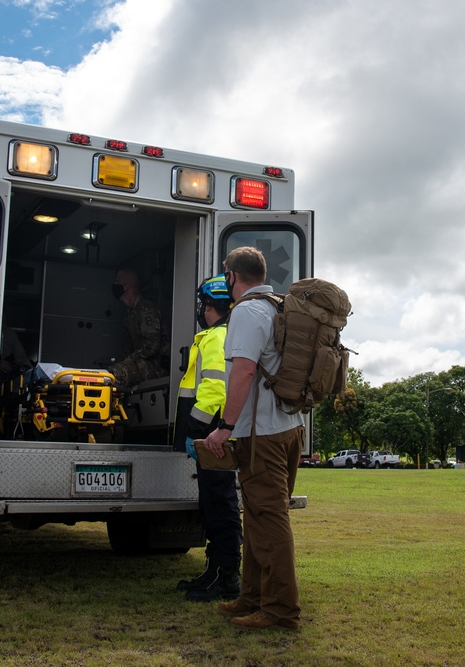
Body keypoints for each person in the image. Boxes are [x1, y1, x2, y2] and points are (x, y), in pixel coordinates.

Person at [202, 246, 304, 631]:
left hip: (261, 434)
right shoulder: (278, 305)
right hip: (288, 429)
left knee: (270, 519)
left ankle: (280, 610)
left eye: (226, 276)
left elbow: (243, 372)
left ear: (232, 276)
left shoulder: (246, 311)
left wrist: (225, 427)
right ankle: (253, 596)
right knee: (258, 519)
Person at [173, 276, 241, 602]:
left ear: (209, 305)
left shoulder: (217, 337)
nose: (201, 309)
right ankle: (214, 572)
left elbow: (215, 388)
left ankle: (228, 578)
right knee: (212, 503)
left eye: (203, 304)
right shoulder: (218, 335)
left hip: (211, 435)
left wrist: (195, 430)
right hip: (211, 433)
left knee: (221, 503)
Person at [108, 268, 167, 387]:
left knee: (117, 374)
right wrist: (120, 362)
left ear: (128, 286)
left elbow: (151, 346)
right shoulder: (131, 313)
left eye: (117, 282)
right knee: (109, 372)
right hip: (141, 363)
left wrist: (128, 361)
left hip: (157, 366)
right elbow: (129, 348)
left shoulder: (146, 309)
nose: (114, 286)